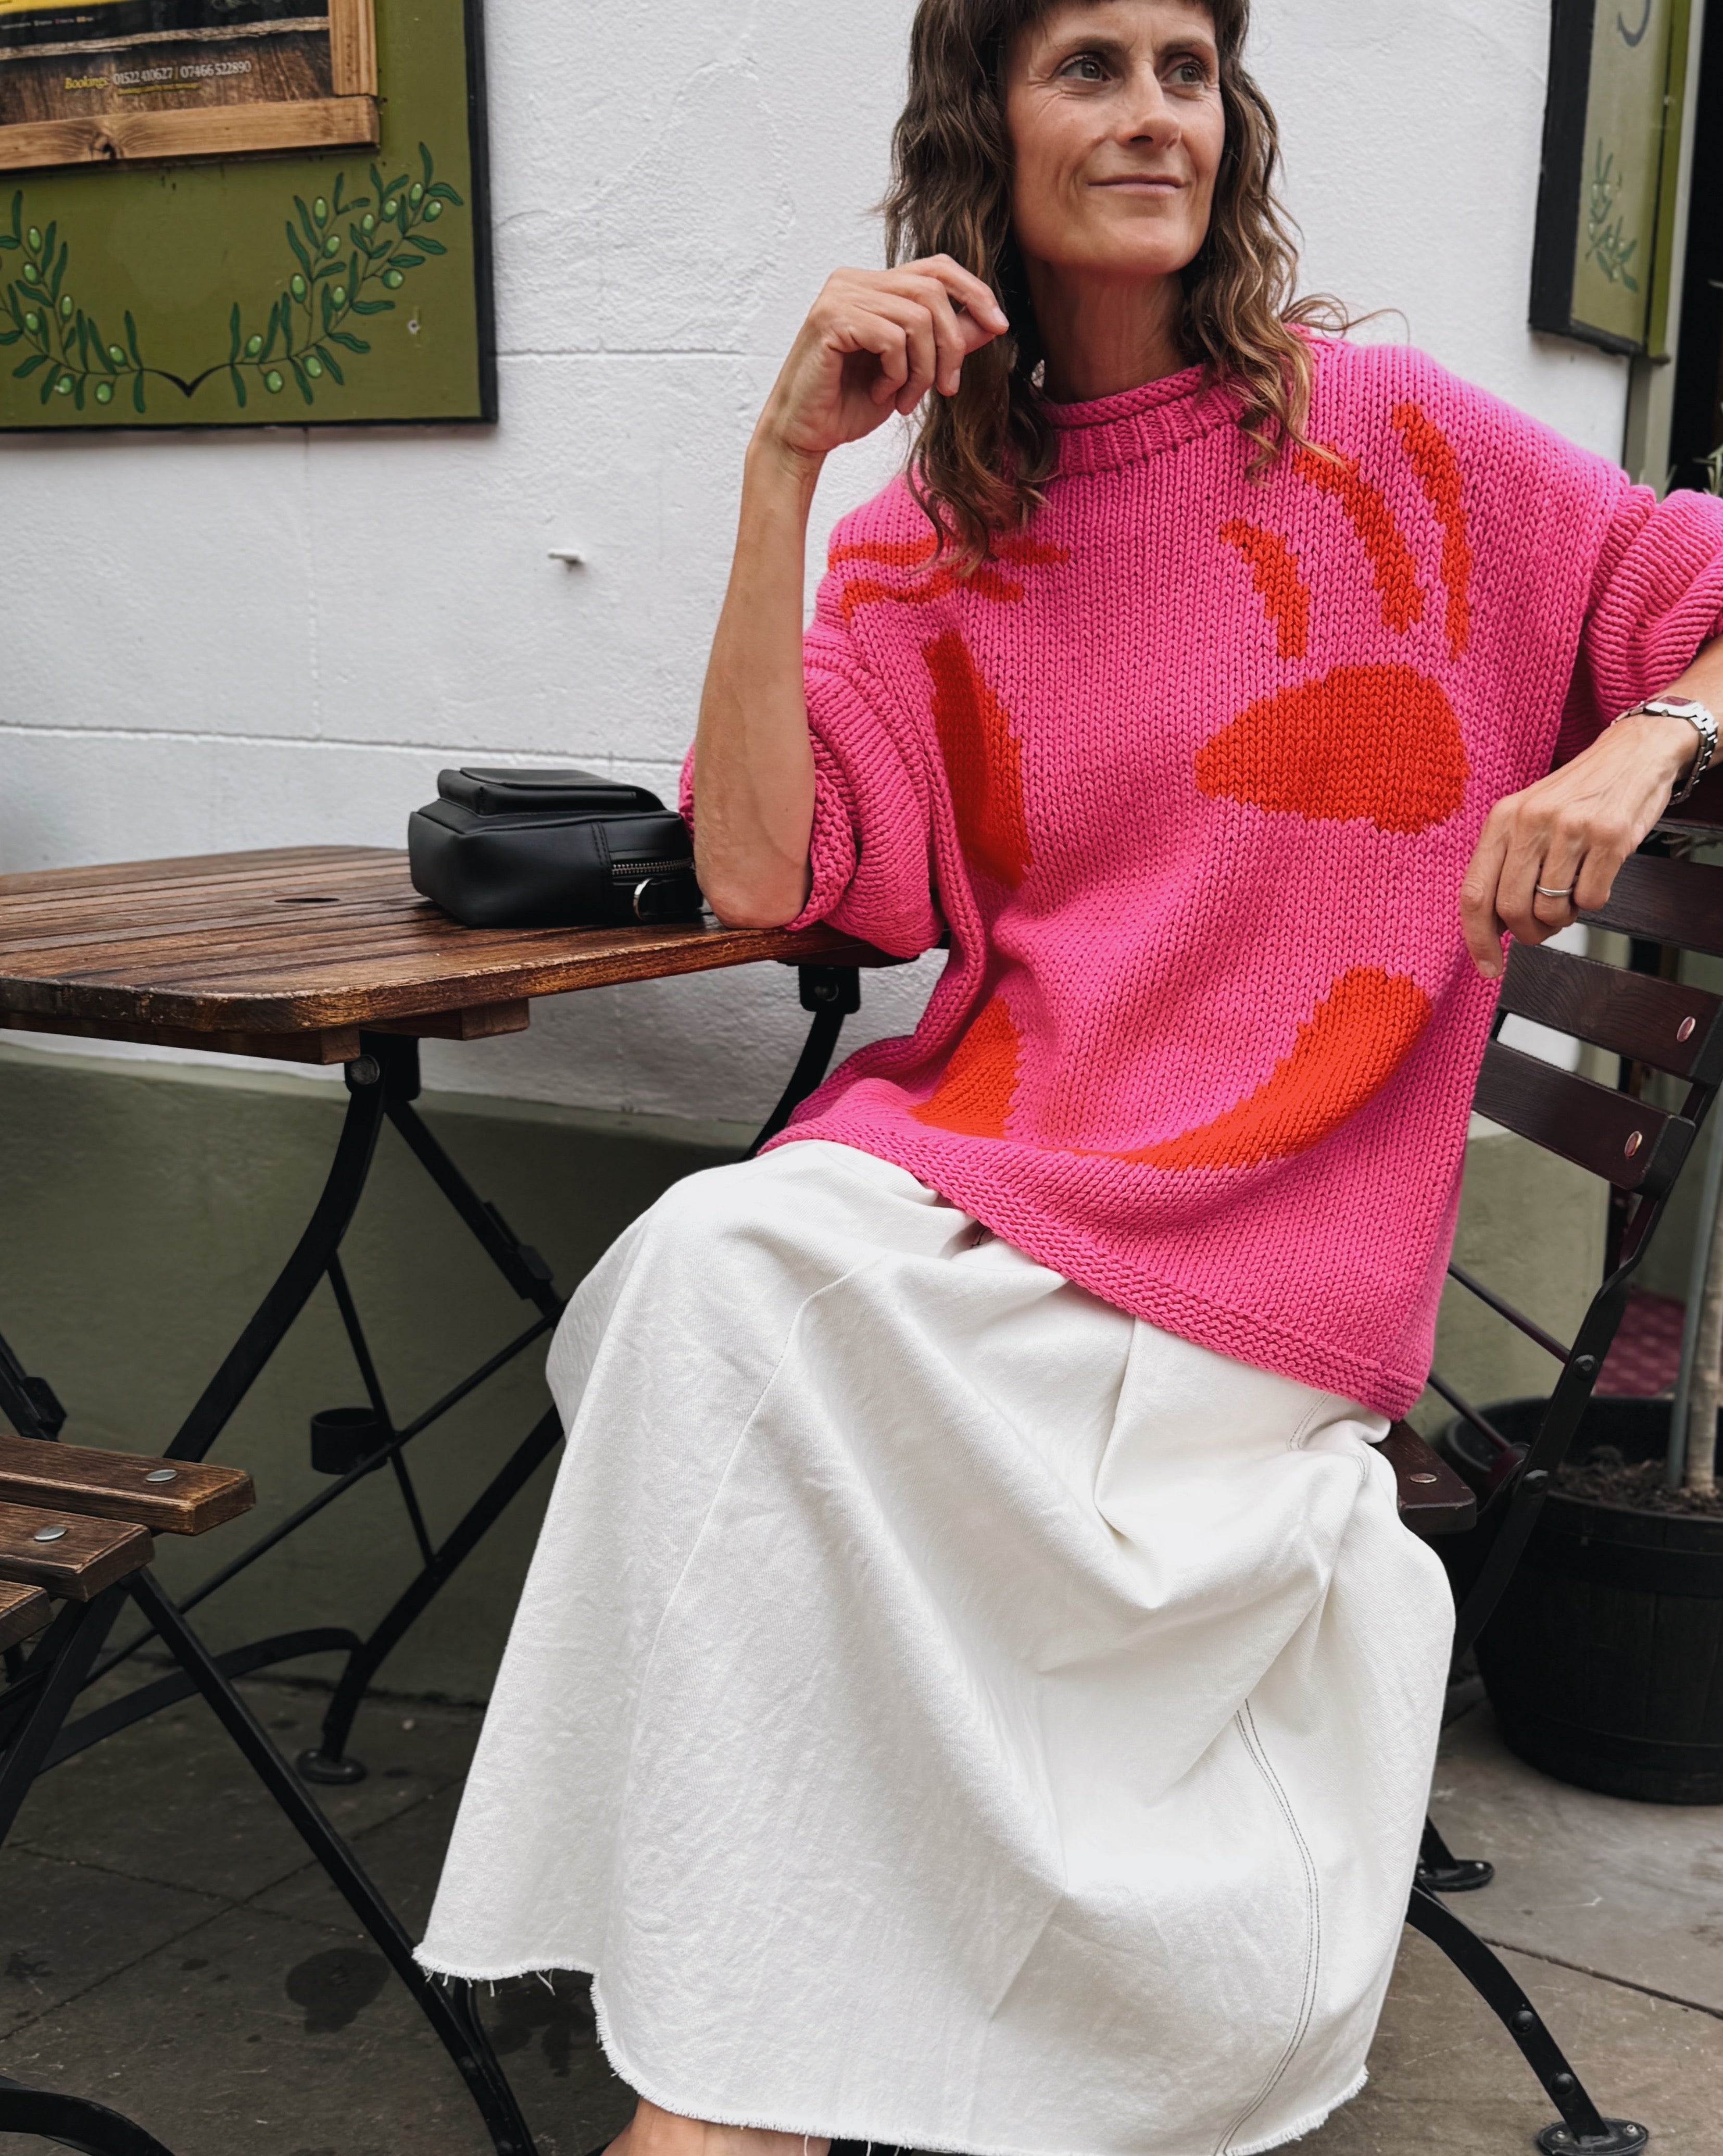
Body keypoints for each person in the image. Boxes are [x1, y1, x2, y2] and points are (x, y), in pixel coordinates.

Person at [419, 3, 1723, 2152]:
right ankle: (754, 2056)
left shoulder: (1399, 443)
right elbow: (768, 867)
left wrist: (1641, 734)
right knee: (705, 1272)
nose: (1150, 115)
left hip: (1274, 1242)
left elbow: (1698, 603)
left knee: (743, 1337)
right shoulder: (932, 526)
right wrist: (779, 471)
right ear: (984, 134)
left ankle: (721, 2104)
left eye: (1185, 69)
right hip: (1001, 1170)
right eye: (1088, 65)